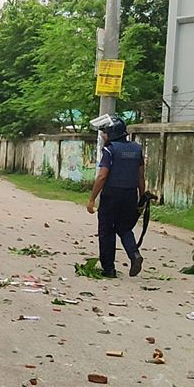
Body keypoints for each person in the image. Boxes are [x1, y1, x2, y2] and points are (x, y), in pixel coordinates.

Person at [86, 115, 145, 279]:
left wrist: (92, 199)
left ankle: (109, 269)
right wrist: (141, 198)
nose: (103, 136)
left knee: (106, 230)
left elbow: (102, 176)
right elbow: (141, 177)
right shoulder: (136, 149)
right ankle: (134, 254)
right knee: (124, 228)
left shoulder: (110, 149)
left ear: (111, 134)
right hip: (130, 194)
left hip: (112, 194)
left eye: (104, 133)